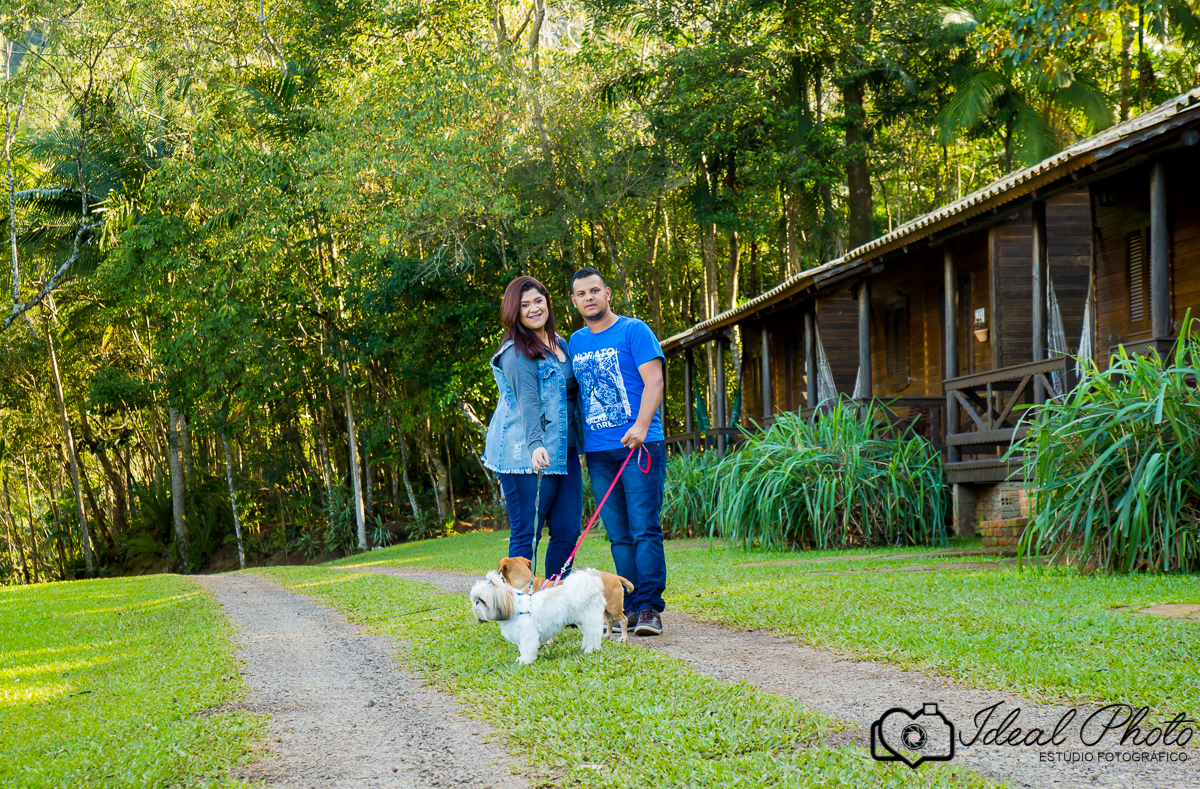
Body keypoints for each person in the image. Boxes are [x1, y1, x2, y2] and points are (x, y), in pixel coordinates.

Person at [568, 267, 667, 636]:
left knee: (644, 529)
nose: (589, 298)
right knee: (619, 534)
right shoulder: (574, 342)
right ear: (575, 301)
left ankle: (650, 609)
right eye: (582, 294)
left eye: (595, 291)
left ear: (607, 293)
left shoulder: (634, 330)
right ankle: (627, 606)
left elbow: (653, 380)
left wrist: (641, 426)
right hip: (598, 454)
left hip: (639, 446)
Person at [483, 276, 585, 582]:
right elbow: (528, 401)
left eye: (538, 301)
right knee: (527, 535)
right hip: (524, 454)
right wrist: (534, 444)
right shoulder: (516, 352)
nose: (533, 308)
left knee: (567, 531)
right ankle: (517, 607)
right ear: (515, 311)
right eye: (524, 304)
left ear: (548, 302)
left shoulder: (561, 344)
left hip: (563, 451)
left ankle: (554, 601)